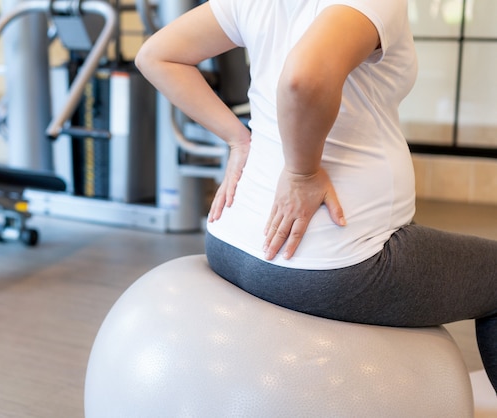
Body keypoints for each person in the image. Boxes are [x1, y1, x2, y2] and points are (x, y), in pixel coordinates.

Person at [135, 0, 497, 393]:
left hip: (231, 241)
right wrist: (301, 173)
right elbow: (304, 78)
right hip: (330, 263)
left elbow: (156, 55)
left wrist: (238, 140)